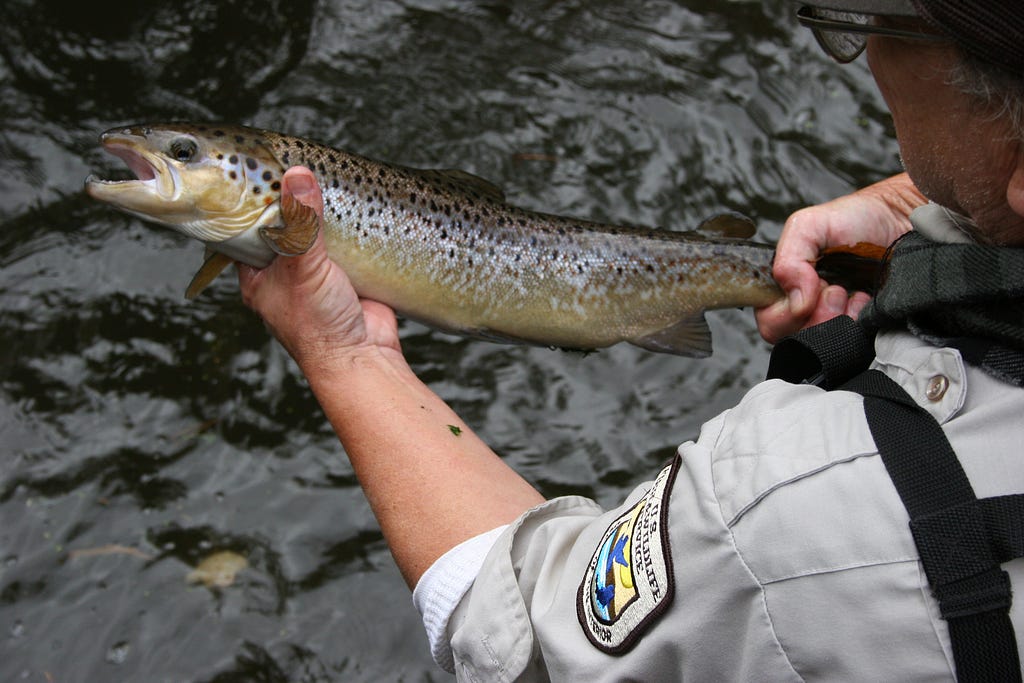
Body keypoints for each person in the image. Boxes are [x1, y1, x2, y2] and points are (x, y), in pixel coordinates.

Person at [237, 0, 1024, 679]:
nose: (873, 53)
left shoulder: (776, 510)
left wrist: (347, 356)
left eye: (883, 22)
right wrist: (943, 200)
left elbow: (526, 644)